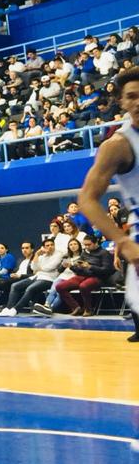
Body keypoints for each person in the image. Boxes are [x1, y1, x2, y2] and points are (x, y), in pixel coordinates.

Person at [77, 64, 139, 340]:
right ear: (121, 101)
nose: (138, 102)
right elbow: (87, 200)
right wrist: (122, 241)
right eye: (132, 96)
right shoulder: (117, 145)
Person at [39, 233, 113, 317]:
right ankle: (76, 307)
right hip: (83, 275)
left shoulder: (104, 253)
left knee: (83, 286)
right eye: (85, 245)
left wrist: (90, 266)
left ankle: (88, 309)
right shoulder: (85, 253)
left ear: (96, 243)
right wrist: (71, 267)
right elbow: (78, 270)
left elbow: (107, 271)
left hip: (97, 277)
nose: (87, 247)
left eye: (89, 244)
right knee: (60, 287)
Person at [0, 238, 64, 320]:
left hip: (48, 279)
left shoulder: (58, 254)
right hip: (36, 277)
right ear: (43, 247)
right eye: (47, 245)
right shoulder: (42, 256)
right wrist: (36, 254)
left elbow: (50, 267)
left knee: (30, 288)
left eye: (52, 245)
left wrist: (40, 268)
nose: (50, 247)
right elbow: (33, 267)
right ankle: (8, 308)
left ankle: (15, 309)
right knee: (15, 285)